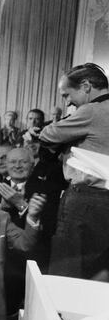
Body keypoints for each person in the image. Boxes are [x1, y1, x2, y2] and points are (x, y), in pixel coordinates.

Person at [37, 63, 109, 281]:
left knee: (68, 268)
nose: (67, 102)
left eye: (67, 94)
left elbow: (47, 135)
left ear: (86, 86)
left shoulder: (91, 111)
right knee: (98, 271)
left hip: (85, 199)